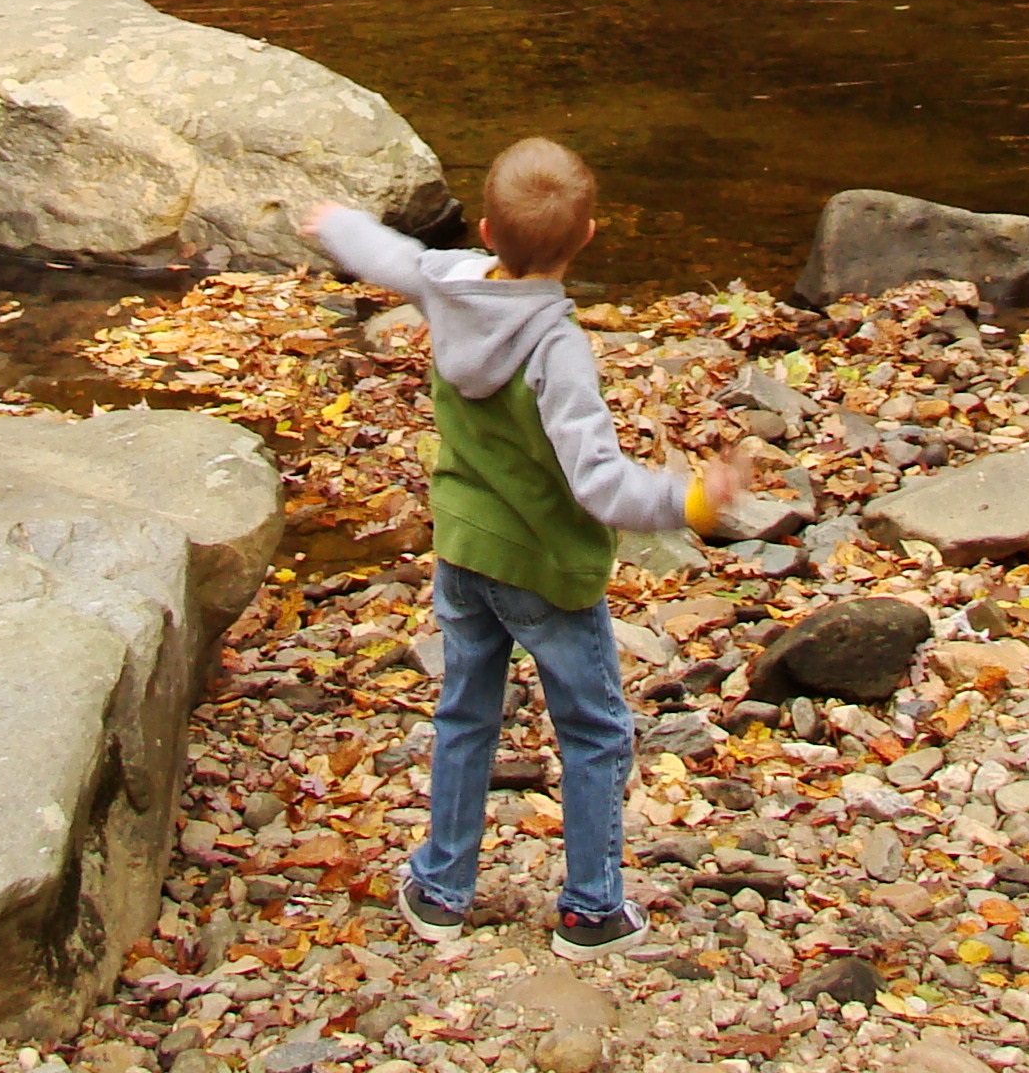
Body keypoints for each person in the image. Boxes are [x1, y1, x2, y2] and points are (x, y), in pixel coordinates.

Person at [306, 140, 746, 960]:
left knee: (465, 714)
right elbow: (599, 486)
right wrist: (687, 500)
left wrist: (339, 225)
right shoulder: (557, 349)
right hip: (546, 571)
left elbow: (394, 257)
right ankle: (590, 909)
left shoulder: (451, 285)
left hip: (464, 554)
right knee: (593, 730)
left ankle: (440, 890)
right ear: (586, 239)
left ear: (481, 229)